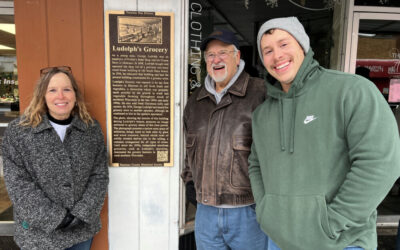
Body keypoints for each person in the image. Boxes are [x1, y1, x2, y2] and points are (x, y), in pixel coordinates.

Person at [249, 16, 400, 250]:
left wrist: (332, 223)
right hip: (278, 241)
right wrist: (266, 212)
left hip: (340, 242)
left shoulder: (351, 91)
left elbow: (380, 163)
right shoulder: (262, 115)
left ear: (302, 45)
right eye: (267, 50)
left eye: (284, 44)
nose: (276, 55)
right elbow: (255, 165)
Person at [2, 66, 109, 250]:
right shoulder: (19, 132)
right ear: (42, 95)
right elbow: (18, 183)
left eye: (66, 89)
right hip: (38, 235)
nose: (61, 96)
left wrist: (81, 214)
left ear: (75, 95)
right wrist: (56, 218)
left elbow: (99, 175)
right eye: (52, 90)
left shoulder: (90, 129)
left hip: (80, 232)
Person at [181, 30, 268, 249]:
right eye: (210, 55)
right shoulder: (195, 101)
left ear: (237, 57)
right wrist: (190, 181)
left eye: (223, 53)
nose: (216, 59)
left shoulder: (260, 93)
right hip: (206, 213)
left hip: (248, 212)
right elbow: (188, 150)